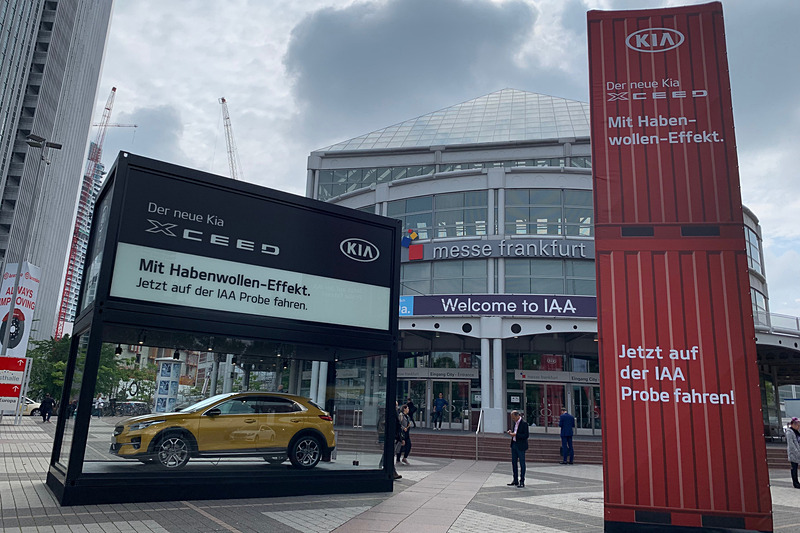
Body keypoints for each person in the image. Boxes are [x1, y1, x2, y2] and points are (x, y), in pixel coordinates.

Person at [507, 410, 529, 488]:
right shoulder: (515, 423)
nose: (513, 419)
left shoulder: (524, 424)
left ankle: (522, 480)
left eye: (513, 418)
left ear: (517, 416)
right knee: (514, 462)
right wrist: (511, 433)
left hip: (521, 445)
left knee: (522, 463)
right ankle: (515, 479)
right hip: (514, 444)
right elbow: (515, 431)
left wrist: (516, 435)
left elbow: (526, 435)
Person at [786, 417, 800, 489]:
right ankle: (795, 483)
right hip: (793, 453)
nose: (798, 427)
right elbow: (791, 444)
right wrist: (797, 452)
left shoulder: (796, 432)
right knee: (794, 468)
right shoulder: (789, 432)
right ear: (793, 425)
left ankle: (797, 482)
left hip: (798, 452)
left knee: (795, 467)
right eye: (798, 425)